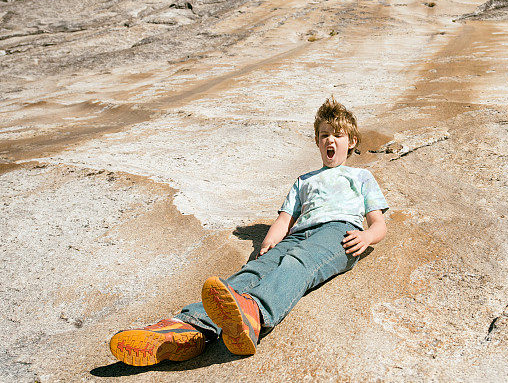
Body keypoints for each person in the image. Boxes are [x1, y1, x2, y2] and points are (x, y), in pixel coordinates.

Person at [108, 97, 388, 366]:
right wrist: (267, 244)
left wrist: (366, 237)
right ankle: (188, 328)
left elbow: (379, 223)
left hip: (339, 233)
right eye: (325, 134)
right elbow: (284, 219)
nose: (330, 140)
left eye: (338, 135)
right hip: (297, 234)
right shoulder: (303, 180)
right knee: (254, 271)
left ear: (351, 142)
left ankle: (253, 313)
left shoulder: (360, 177)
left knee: (299, 263)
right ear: (317, 141)